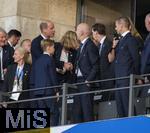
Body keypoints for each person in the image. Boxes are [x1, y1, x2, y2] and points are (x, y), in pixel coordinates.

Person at [108, 17, 140, 117]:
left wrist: (137, 77)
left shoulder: (130, 39)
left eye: (116, 26)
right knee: (120, 108)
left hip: (126, 78)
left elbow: (136, 59)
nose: (116, 28)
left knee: (127, 106)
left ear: (121, 26)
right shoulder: (121, 40)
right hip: (119, 79)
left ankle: (134, 128)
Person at [73, 23, 99, 123]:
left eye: (77, 29)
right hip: (79, 82)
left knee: (87, 110)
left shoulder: (90, 45)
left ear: (82, 32)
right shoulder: (82, 46)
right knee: (77, 111)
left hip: (85, 82)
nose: (75, 32)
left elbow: (96, 65)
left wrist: (89, 80)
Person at [33, 39, 59, 126]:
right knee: (55, 113)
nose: (54, 49)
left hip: (38, 92)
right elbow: (52, 76)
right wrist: (57, 90)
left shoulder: (37, 60)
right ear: (48, 48)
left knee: (42, 116)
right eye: (53, 47)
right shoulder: (50, 59)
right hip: (48, 92)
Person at [92, 23, 115, 101]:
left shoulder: (108, 43)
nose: (92, 35)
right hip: (102, 79)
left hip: (108, 79)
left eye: (92, 33)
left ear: (96, 33)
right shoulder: (100, 45)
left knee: (107, 101)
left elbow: (110, 59)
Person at [30, 20, 55, 89]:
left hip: (49, 79)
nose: (54, 30)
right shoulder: (36, 42)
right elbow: (42, 59)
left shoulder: (52, 42)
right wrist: (62, 64)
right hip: (38, 79)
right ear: (44, 30)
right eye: (51, 28)